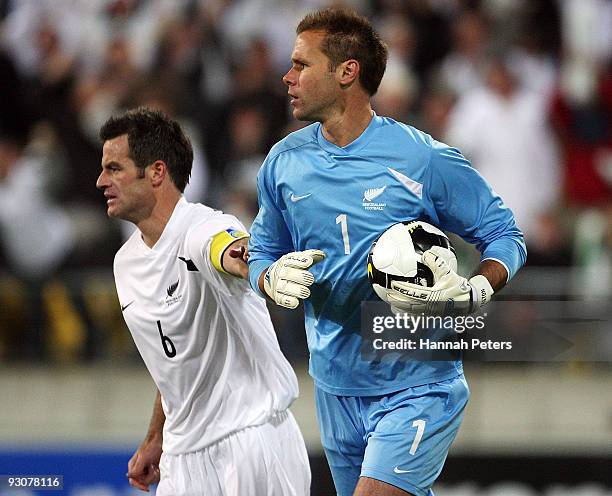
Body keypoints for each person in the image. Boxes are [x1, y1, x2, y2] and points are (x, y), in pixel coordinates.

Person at [247, 9, 526, 496]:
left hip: (420, 382)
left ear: (346, 72)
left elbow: (504, 233)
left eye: (301, 65)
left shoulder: (422, 158)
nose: (286, 77)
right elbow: (262, 252)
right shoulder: (283, 163)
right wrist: (270, 279)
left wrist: (478, 286)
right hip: (335, 384)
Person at [96, 107, 310, 495]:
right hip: (181, 458)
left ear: (157, 171)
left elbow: (229, 250)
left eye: (114, 169)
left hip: (252, 442)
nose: (101, 181)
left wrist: (263, 269)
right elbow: (173, 361)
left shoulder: (203, 228)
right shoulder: (125, 263)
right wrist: (156, 437)